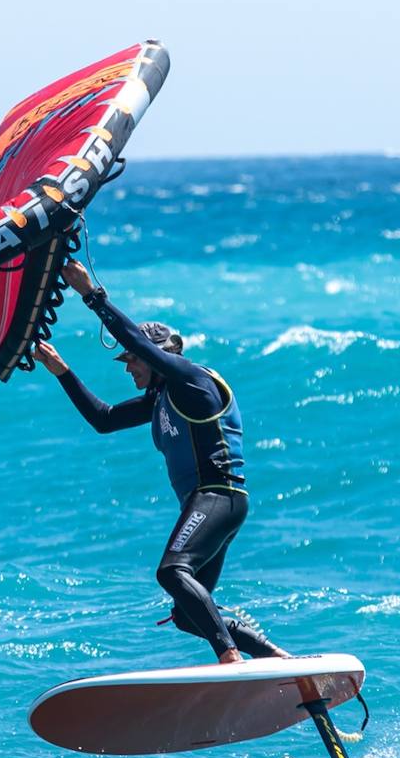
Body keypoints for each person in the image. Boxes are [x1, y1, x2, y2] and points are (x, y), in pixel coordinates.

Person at [33, 261, 290, 664]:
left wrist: (92, 295)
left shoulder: (191, 383)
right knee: (188, 615)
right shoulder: (160, 400)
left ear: (156, 357)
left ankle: (229, 658)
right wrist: (62, 371)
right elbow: (104, 420)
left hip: (217, 495)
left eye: (133, 361)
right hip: (209, 503)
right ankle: (274, 656)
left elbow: (136, 341)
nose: (129, 367)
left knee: (171, 572)